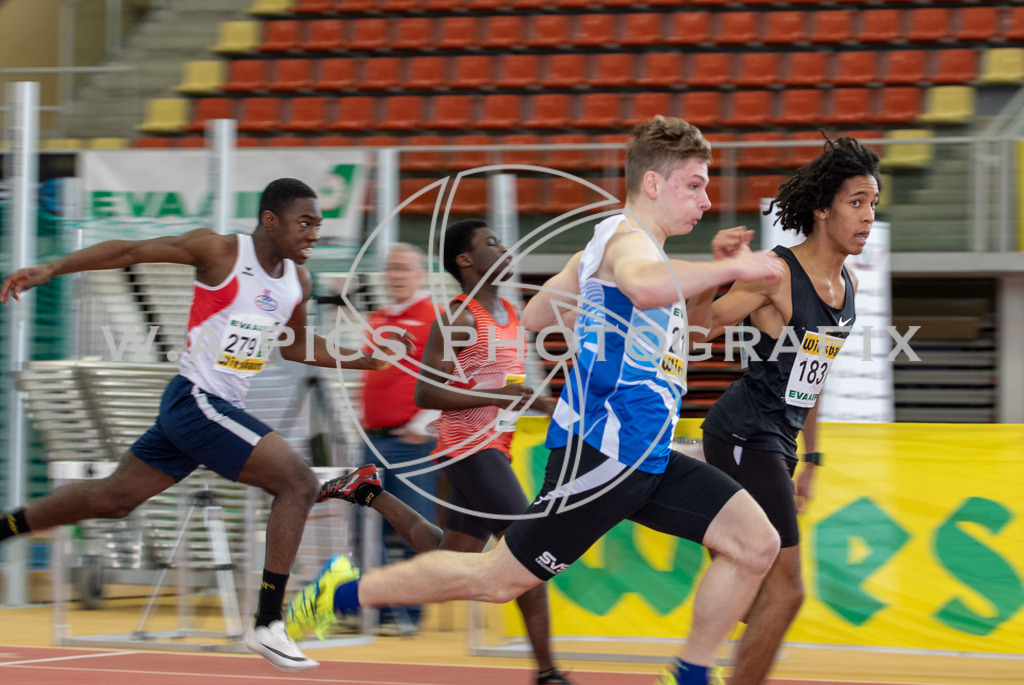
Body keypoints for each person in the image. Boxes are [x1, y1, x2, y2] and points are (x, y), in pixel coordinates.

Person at [283, 117, 785, 685]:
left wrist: (601, 326)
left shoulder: (621, 250)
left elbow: (539, 314)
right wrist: (738, 267)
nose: (706, 198)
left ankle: (690, 673)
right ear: (652, 183)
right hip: (600, 460)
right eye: (694, 184)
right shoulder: (626, 241)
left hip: (650, 456)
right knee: (496, 580)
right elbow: (639, 287)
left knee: (754, 542)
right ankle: (341, 593)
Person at [0, 178, 407, 673]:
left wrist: (363, 361)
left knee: (113, 499)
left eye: (318, 224)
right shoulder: (217, 250)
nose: (313, 233)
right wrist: (52, 267)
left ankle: (5, 527)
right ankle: (266, 623)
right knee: (298, 483)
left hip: (208, 410)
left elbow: (296, 347)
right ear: (271, 219)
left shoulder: (297, 281)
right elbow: (129, 250)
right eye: (305, 222)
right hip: (196, 399)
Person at [311, 219, 573, 684]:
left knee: (447, 555)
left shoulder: (510, 314)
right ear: (465, 261)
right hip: (467, 447)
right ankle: (548, 671)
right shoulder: (459, 317)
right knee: (528, 552)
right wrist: (495, 399)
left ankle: (370, 492)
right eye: (491, 243)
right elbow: (426, 395)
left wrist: (549, 404)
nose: (505, 247)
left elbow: (506, 384)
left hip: (497, 444)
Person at [691, 135, 881, 684]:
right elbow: (698, 332)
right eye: (856, 202)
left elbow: (812, 378)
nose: (868, 215)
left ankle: (696, 668)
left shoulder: (846, 283)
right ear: (821, 209)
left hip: (778, 441)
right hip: (744, 433)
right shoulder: (775, 273)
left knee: (754, 598)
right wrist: (716, 273)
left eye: (873, 204)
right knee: (786, 591)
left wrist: (811, 457)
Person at [357, 242, 442, 635]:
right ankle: (373, 608)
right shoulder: (378, 317)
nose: (396, 275)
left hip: (410, 444)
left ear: (421, 274)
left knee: (414, 527)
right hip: (372, 440)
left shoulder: (433, 317)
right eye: (391, 268)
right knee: (364, 527)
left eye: (404, 268)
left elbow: (454, 373)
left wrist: (424, 421)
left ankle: (409, 614)